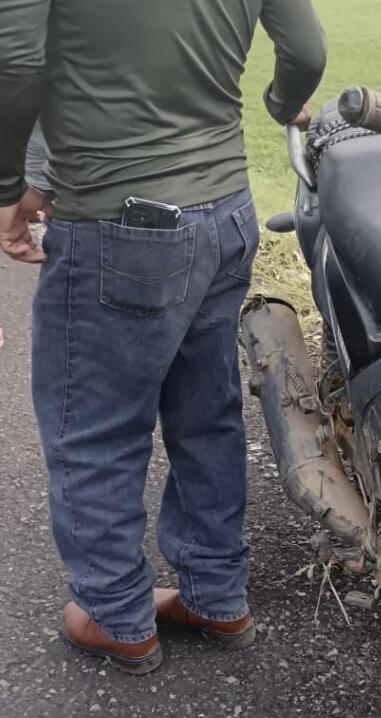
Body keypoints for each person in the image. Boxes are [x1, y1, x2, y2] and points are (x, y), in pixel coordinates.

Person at [0, 0, 327, 674]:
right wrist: (278, 100)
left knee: (93, 424)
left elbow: (15, 62)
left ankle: (115, 614)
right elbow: (306, 49)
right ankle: (216, 595)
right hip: (228, 213)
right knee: (206, 413)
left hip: (114, 218)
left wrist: (9, 183)